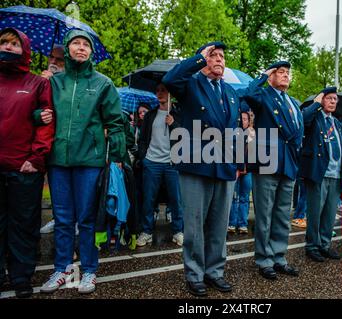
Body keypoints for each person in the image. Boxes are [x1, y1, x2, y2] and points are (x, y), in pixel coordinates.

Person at [162, 41, 255, 297]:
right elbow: (170, 79)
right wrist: (198, 58)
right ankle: (194, 274)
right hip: (196, 164)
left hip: (224, 166)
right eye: (213, 55)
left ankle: (215, 272)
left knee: (218, 225)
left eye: (222, 56)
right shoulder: (191, 84)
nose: (219, 60)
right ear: (203, 59)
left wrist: (237, 163)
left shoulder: (231, 93)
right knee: (194, 224)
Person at [40, 30, 125, 295]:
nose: (81, 47)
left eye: (85, 44)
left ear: (91, 52)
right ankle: (63, 268)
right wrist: (37, 105)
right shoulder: (54, 82)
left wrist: (119, 158)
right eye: (76, 43)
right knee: (63, 218)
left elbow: (115, 122)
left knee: (87, 219)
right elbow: (36, 110)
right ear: (67, 50)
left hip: (90, 160)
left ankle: (88, 270)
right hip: (58, 160)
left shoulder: (103, 83)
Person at [0, 27, 55, 298]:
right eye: (4, 43)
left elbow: (47, 121)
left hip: (24, 168)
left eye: (14, 44)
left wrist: (36, 158)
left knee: (22, 225)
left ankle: (21, 277)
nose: (8, 47)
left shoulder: (38, 83)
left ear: (25, 50)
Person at [241, 61, 302, 280]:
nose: (285, 76)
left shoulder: (293, 103)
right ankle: (264, 259)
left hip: (288, 164)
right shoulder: (264, 96)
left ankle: (279, 257)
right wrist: (264, 75)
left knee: (283, 215)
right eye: (280, 72)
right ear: (271, 77)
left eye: (287, 73)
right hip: (267, 161)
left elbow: (297, 134)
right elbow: (248, 94)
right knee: (264, 215)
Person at [300, 87, 342, 262]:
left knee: (330, 213)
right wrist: (316, 104)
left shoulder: (337, 122)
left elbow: (341, 148)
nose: (332, 101)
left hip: (336, 174)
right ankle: (312, 246)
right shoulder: (314, 118)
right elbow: (302, 120)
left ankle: (324, 244)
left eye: (335, 99)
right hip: (319, 172)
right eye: (329, 98)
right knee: (315, 212)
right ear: (321, 100)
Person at [136, 83, 184, 247]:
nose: (159, 93)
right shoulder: (150, 115)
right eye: (157, 90)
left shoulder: (178, 113)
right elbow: (142, 140)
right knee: (148, 200)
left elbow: (184, 136)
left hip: (172, 163)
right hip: (152, 163)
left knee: (176, 200)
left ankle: (178, 231)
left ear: (170, 93)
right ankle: (147, 232)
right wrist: (144, 158)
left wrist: (173, 124)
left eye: (163, 90)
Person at [39, 45, 65, 235]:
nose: (53, 62)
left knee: (61, 186)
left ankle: (65, 222)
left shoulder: (66, 84)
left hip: (61, 142)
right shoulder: (40, 80)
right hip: (40, 145)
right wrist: (41, 84)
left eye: (59, 60)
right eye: (51, 58)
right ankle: (57, 218)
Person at [228, 111, 255, 234]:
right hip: (236, 170)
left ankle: (242, 224)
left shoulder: (252, 133)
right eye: (241, 118)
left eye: (245, 119)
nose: (243, 121)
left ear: (249, 121)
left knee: (244, 198)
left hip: (248, 171)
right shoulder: (234, 133)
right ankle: (231, 223)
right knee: (234, 197)